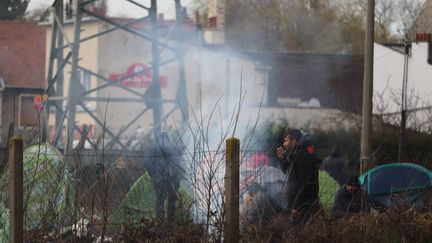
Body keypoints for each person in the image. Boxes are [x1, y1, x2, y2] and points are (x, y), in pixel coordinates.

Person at [276, 129, 321, 226]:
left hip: (302, 208)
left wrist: (298, 207)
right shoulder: (297, 152)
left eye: (286, 140)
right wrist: (282, 159)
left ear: (294, 141)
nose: (284, 144)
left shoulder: (304, 156)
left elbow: (305, 184)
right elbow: (290, 173)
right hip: (297, 205)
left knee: (299, 232)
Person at [145, 132, 184, 221]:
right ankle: (171, 221)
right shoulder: (173, 148)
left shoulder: (152, 148)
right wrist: (176, 177)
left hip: (159, 179)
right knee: (172, 200)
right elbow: (180, 165)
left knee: (159, 200)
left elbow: (146, 162)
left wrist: (154, 175)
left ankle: (160, 221)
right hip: (173, 179)